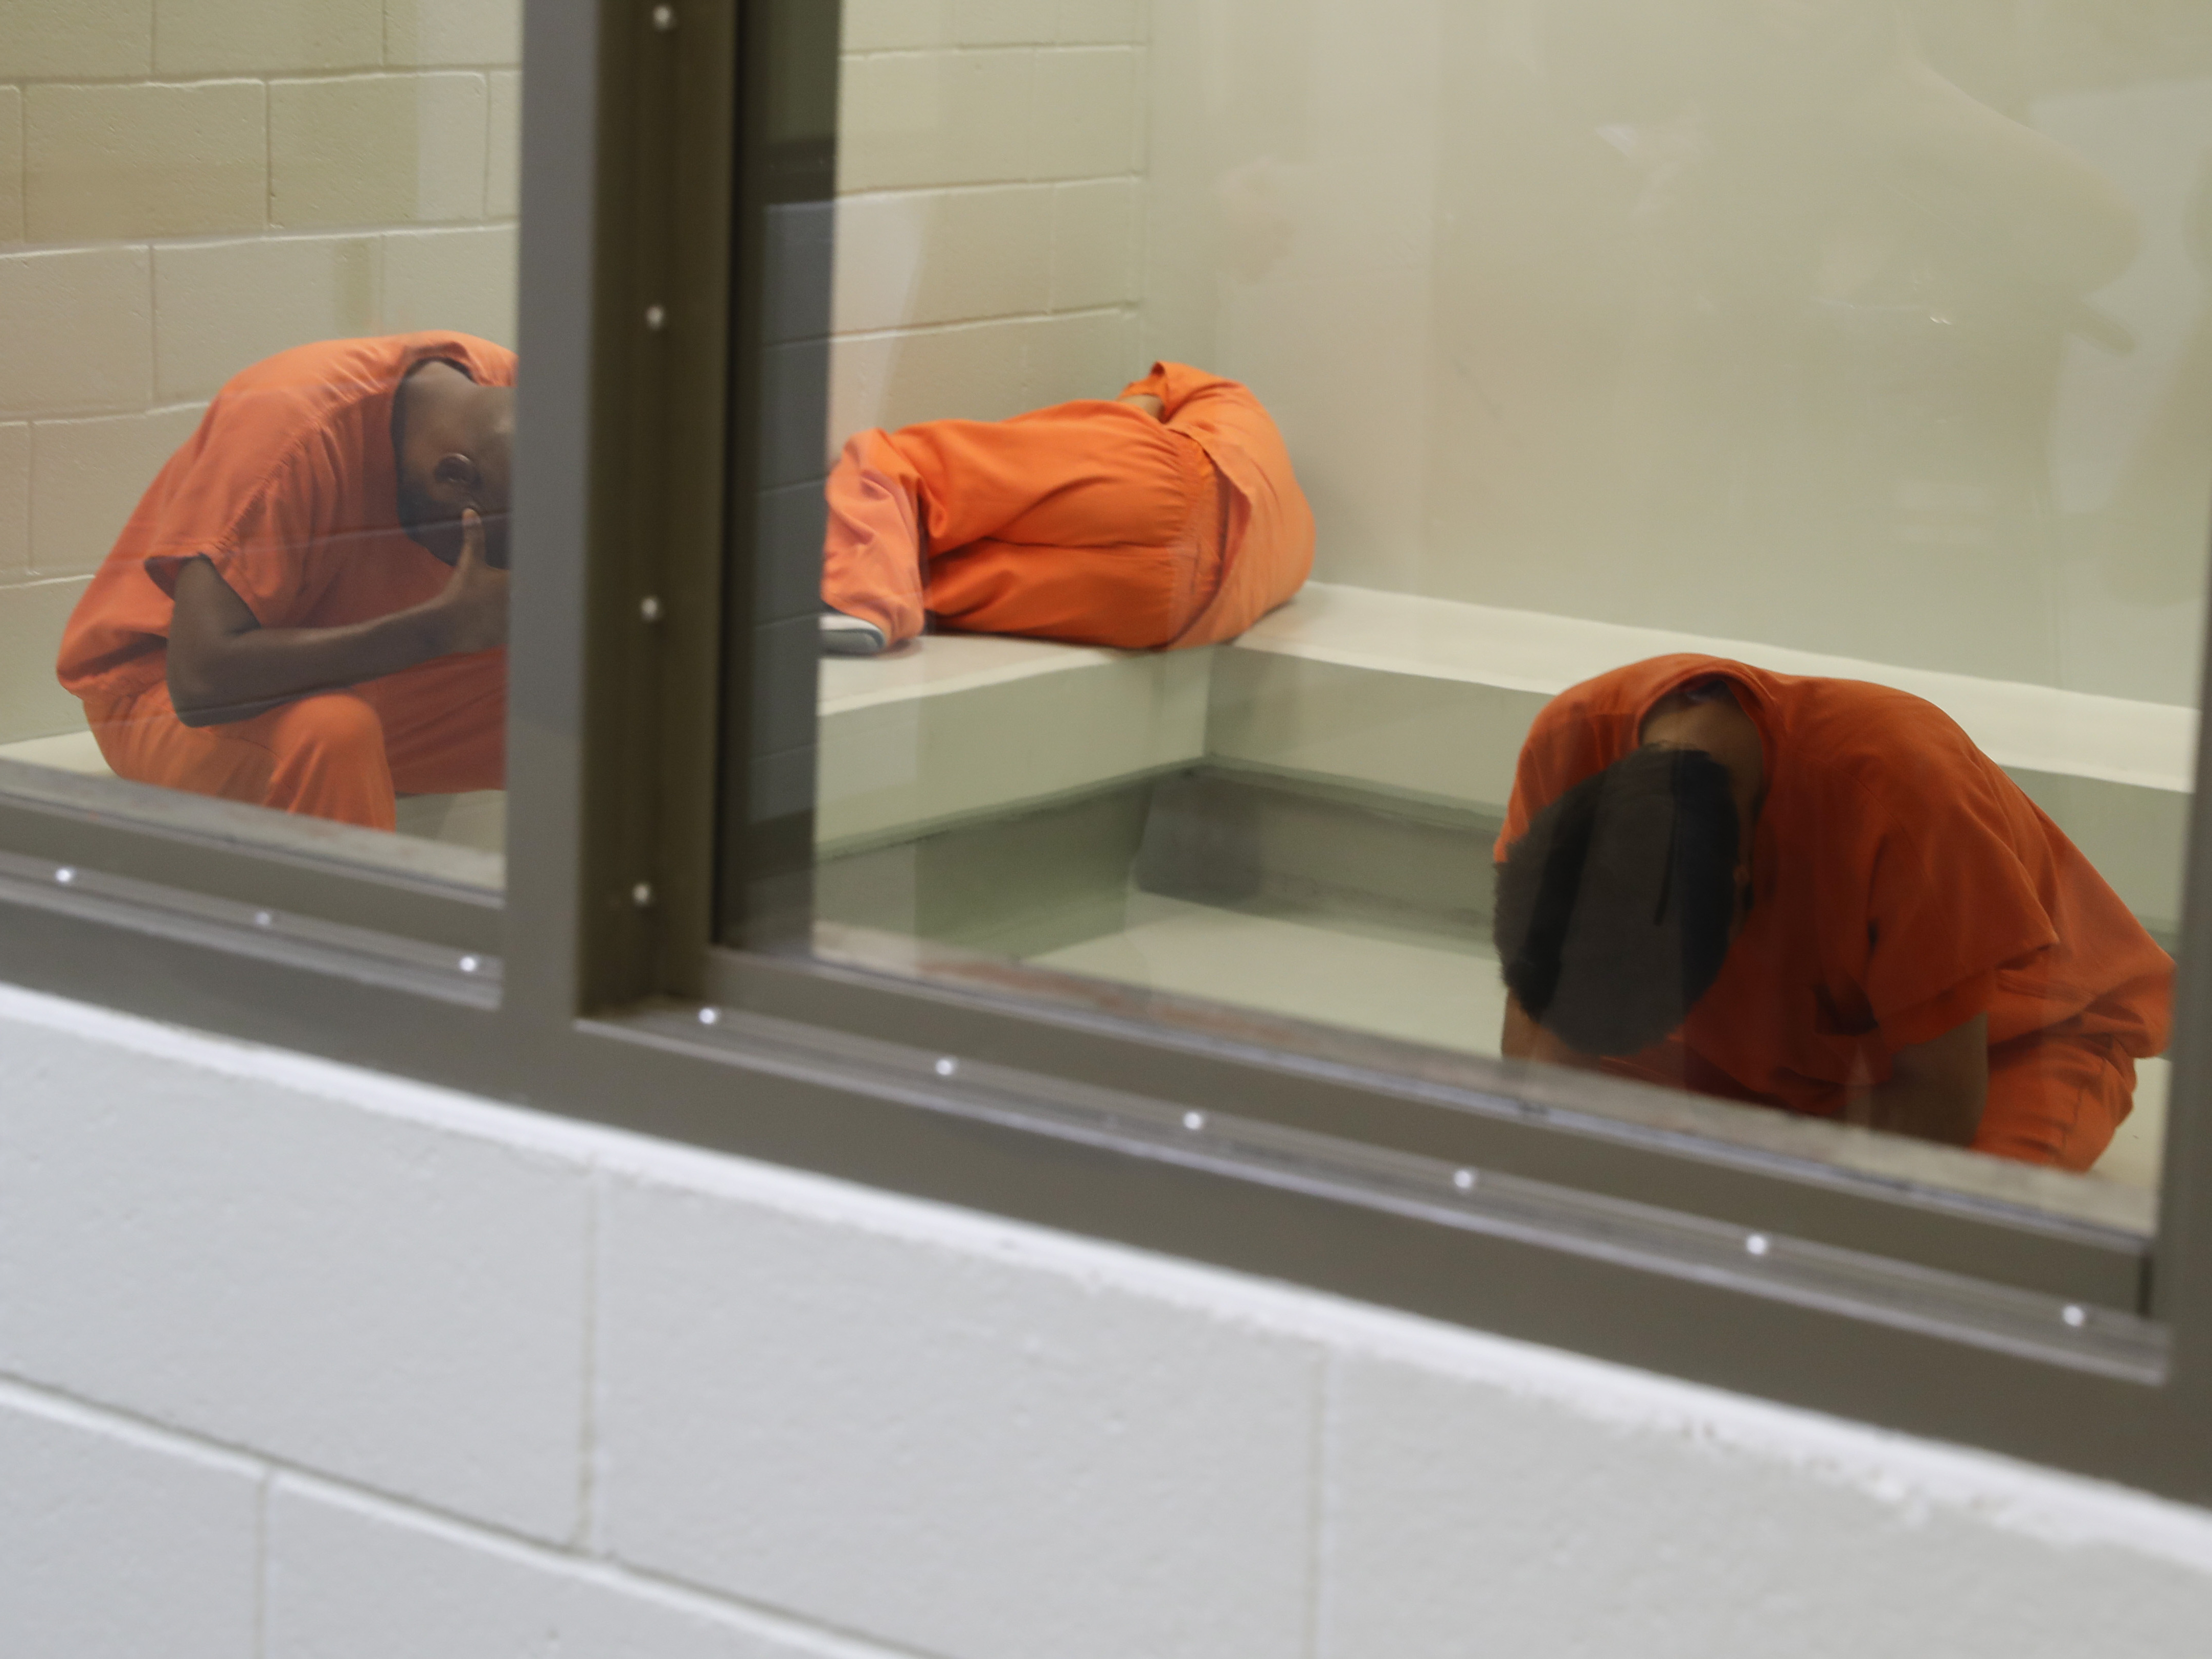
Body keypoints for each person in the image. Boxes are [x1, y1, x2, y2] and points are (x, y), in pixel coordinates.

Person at [1492, 655, 2172, 1171]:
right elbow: (1545, 1012)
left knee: (1962, 1225)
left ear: (1745, 885)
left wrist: (1756, 1197)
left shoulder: (1904, 791)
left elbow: (1939, 1100)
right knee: (1582, 1149)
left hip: (2003, 1044)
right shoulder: (1569, 740)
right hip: (1752, 1043)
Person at [55, 333, 515, 832]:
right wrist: (438, 631)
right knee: (332, 732)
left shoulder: (523, 399)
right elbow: (203, 682)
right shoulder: (289, 424)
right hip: (163, 686)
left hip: (388, 672)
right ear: (453, 476)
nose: (504, 570)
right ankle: (346, 908)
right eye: (496, 546)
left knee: (603, 699)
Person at [819, 362, 1313, 655]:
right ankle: (859, 605)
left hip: (1165, 475)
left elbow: (1136, 410)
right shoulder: (1298, 550)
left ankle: (855, 598)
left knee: (897, 462)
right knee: (937, 585)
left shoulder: (1213, 392)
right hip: (1175, 610)